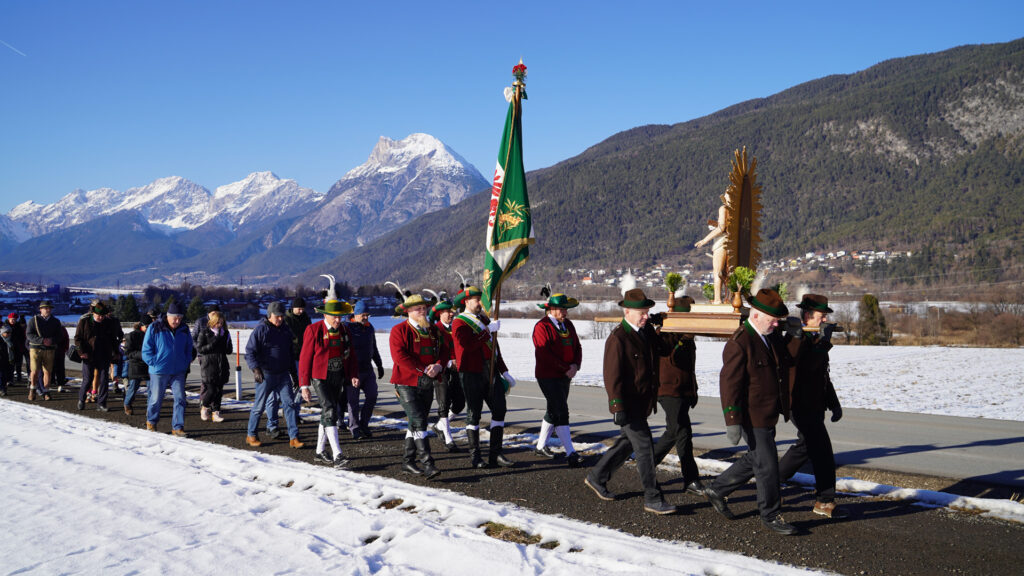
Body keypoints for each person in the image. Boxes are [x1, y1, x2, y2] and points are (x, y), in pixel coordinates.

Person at [705, 288, 797, 535]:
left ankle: (717, 489)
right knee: (767, 465)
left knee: (755, 458)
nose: (776, 324)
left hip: (768, 412)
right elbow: (729, 384)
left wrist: (794, 337)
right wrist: (732, 420)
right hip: (750, 414)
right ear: (756, 315)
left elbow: (786, 362)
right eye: (773, 320)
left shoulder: (770, 336)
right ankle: (770, 514)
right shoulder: (740, 343)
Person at [584, 288, 676, 515]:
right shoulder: (618, 338)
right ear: (627, 312)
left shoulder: (646, 332)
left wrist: (663, 328)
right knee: (644, 448)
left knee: (627, 443)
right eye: (641, 313)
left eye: (647, 312)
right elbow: (611, 375)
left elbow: (664, 350)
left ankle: (597, 476)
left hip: (643, 402)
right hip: (629, 403)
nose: (645, 316)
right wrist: (617, 406)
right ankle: (653, 498)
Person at [777, 294, 848, 519]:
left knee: (806, 447)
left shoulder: (816, 337)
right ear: (807, 316)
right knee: (822, 451)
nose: (824, 319)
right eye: (821, 316)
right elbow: (806, 368)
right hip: (799, 403)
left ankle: (771, 483)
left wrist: (834, 404)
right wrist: (824, 343)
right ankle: (824, 501)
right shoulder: (795, 337)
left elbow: (823, 376)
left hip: (815, 404)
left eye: (825, 316)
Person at [451, 286, 515, 469]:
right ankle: (475, 456)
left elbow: (494, 349)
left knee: (499, 409)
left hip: (491, 370)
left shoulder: (484, 320)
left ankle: (496, 454)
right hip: (471, 372)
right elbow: (467, 345)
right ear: (466, 302)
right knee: (474, 413)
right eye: (477, 300)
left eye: (481, 299)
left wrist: (504, 371)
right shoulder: (459, 323)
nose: (481, 303)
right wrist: (487, 331)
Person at [298, 279, 359, 467]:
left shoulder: (345, 331)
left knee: (327, 412)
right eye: (334, 317)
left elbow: (351, 355)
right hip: (320, 377)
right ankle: (338, 455)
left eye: (340, 316)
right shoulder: (313, 330)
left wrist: (353, 374)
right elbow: (305, 358)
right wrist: (304, 385)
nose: (338, 320)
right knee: (330, 411)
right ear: (326, 314)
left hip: (337, 376)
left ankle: (319, 452)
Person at [651, 295, 706, 495]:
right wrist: (683, 338)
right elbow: (673, 357)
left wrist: (692, 390)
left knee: (679, 433)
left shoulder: (685, 334)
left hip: (682, 391)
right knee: (678, 432)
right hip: (668, 390)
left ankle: (688, 478)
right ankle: (650, 467)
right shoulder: (665, 333)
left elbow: (689, 368)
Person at [389, 293, 447, 478]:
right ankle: (428, 464)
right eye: (418, 309)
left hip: (427, 383)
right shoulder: (398, 330)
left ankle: (407, 461)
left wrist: (439, 365)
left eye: (424, 308)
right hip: (405, 383)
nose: (422, 311)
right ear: (408, 311)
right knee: (420, 420)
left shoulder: (432, 330)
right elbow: (399, 357)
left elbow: (444, 351)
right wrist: (423, 370)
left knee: (415, 422)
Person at [532, 293, 584, 467]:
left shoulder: (568, 324)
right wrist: (565, 368)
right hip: (548, 375)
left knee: (554, 409)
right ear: (551, 309)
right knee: (561, 410)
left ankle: (540, 446)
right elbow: (544, 354)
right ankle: (570, 452)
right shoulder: (542, 326)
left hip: (565, 375)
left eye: (566, 309)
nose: (565, 312)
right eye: (562, 309)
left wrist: (575, 365)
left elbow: (577, 347)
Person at [245, 301, 304, 449]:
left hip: (283, 374)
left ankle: (294, 437)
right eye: (277, 316)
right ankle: (251, 435)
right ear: (270, 315)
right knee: (259, 406)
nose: (280, 319)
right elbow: (250, 352)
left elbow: (289, 353)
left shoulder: (285, 330)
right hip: (266, 375)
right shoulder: (261, 330)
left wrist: (294, 375)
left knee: (289, 405)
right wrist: (255, 369)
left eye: (282, 316)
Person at [142, 302, 193, 435]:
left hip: (178, 370)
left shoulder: (184, 329)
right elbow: (146, 349)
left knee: (180, 398)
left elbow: (189, 347)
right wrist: (154, 362)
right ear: (168, 316)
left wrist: (186, 360)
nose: (177, 321)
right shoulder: (155, 327)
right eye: (175, 318)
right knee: (155, 399)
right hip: (159, 370)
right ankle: (151, 421)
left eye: (180, 318)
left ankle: (178, 427)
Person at [344, 300, 383, 439]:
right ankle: (354, 428)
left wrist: (379, 365)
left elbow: (374, 347)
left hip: (367, 369)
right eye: (363, 315)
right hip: (353, 371)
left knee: (372, 395)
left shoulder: (369, 327)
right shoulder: (346, 327)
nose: (366, 317)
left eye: (367, 315)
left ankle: (364, 424)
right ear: (356, 314)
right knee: (353, 402)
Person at [429, 299, 465, 452]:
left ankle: (439, 426)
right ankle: (448, 438)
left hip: (457, 370)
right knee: (443, 404)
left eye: (452, 311)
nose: (451, 314)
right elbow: (434, 351)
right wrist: (448, 362)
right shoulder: (435, 330)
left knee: (459, 403)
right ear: (440, 313)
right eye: (448, 312)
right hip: (442, 371)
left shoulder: (455, 327)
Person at [75, 301, 124, 411]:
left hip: (104, 355)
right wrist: (81, 352)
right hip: (89, 355)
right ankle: (81, 399)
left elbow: (113, 339)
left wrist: (116, 353)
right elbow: (77, 339)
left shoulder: (109, 322)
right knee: (88, 379)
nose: (101, 318)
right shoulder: (84, 321)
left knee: (104, 379)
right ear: (93, 313)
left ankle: (101, 403)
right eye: (99, 315)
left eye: (103, 315)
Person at [196, 310, 232, 423]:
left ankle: (216, 413)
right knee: (211, 390)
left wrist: (227, 343)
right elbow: (200, 349)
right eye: (217, 322)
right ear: (212, 322)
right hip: (209, 365)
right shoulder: (205, 332)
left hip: (221, 365)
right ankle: (204, 407)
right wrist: (214, 343)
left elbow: (229, 350)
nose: (219, 325)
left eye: (221, 323)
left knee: (219, 391)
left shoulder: (225, 333)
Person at [26, 300, 62, 401]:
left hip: (50, 349)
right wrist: (42, 340)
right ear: (40, 309)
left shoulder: (55, 321)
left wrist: (52, 340)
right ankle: (32, 389)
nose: (48, 310)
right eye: (46, 308)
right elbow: (29, 334)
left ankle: (46, 391)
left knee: (48, 372)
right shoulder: (33, 320)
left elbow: (60, 335)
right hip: (36, 349)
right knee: (34, 371)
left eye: (49, 308)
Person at [694, 201, 729, 304]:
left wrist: (704, 240)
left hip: (722, 241)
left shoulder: (724, 208)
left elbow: (721, 228)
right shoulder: (738, 210)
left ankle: (717, 299)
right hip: (732, 241)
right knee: (727, 272)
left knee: (717, 272)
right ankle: (728, 298)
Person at [122, 316, 151, 415]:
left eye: (150, 326)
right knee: (133, 387)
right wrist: (142, 355)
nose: (148, 329)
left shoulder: (153, 335)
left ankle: (150, 409)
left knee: (151, 388)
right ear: (141, 326)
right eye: (147, 326)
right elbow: (128, 353)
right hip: (136, 364)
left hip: (149, 365)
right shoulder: (132, 335)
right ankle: (127, 404)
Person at [5, 313, 26, 382]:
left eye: (14, 319)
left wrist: (21, 346)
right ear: (8, 319)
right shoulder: (5, 326)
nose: (13, 321)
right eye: (11, 319)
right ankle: (10, 379)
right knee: (10, 364)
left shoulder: (18, 327)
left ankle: (19, 377)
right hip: (8, 347)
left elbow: (22, 337)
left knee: (18, 363)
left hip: (18, 347)